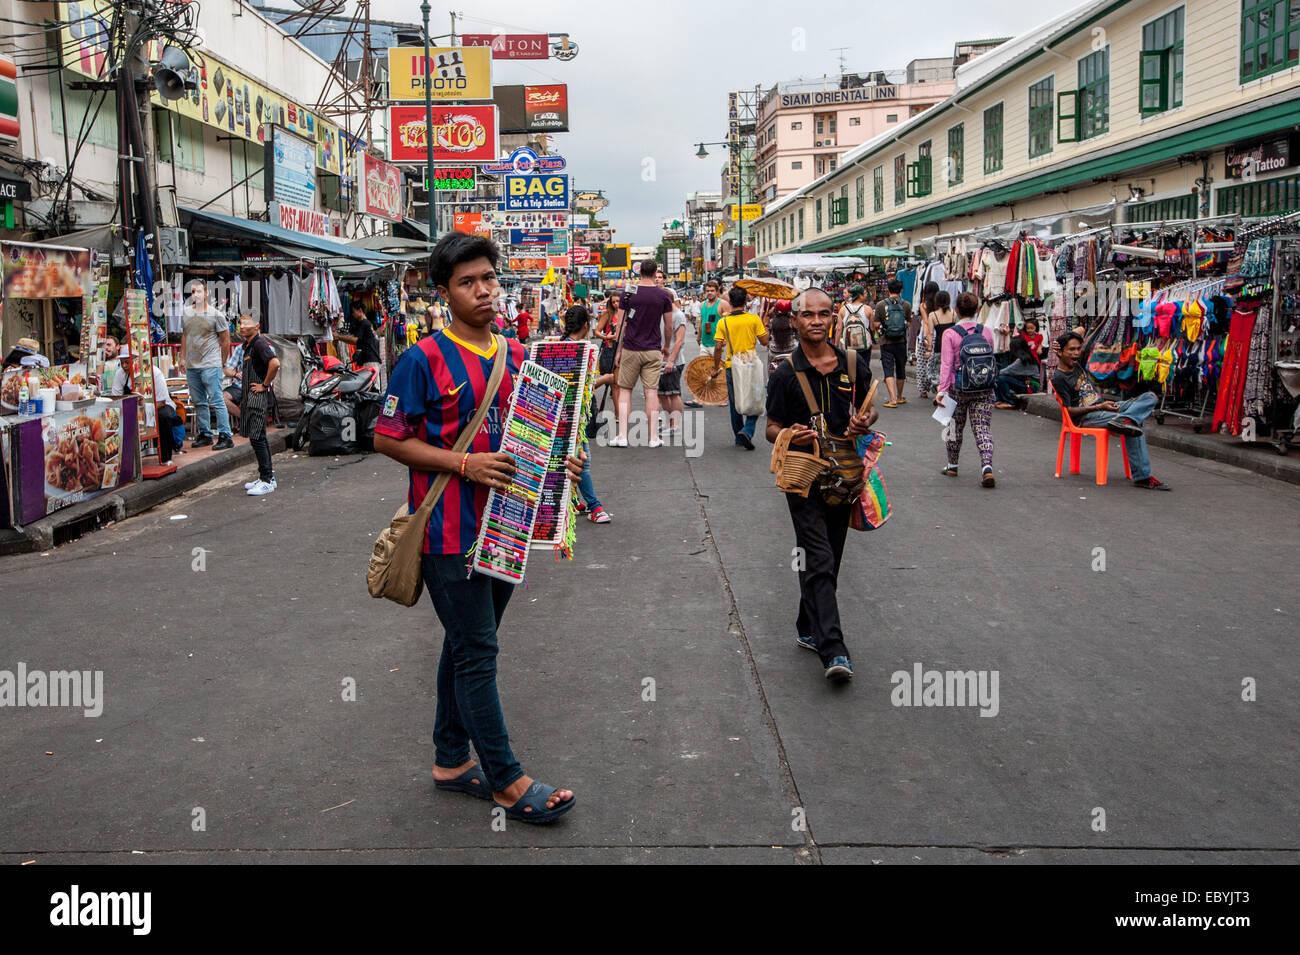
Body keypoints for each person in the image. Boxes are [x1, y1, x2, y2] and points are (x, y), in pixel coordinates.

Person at [374, 232, 585, 824]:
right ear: (444, 292)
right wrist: (463, 463)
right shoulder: (422, 359)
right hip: (448, 531)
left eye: (489, 278)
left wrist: (562, 459)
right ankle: (506, 780)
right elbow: (388, 438)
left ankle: (449, 760)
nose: (484, 291)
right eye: (468, 283)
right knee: (478, 651)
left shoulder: (518, 356)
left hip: (508, 527)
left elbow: (532, 432)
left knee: (466, 643)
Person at [765, 287, 877, 682]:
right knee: (819, 555)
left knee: (827, 556)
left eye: (823, 314)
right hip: (803, 478)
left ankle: (807, 625)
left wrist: (864, 420)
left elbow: (869, 407)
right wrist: (788, 434)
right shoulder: (784, 374)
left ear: (833, 318)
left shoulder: (851, 362)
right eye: (808, 314)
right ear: (795, 320)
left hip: (844, 476)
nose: (816, 320)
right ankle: (834, 650)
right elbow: (770, 428)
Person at [1051, 331, 1171, 491]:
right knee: (1135, 424)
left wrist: (1057, 344)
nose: (1076, 353)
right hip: (1087, 416)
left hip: (1104, 407)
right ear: (1061, 352)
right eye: (1071, 349)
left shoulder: (1076, 365)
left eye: (1078, 349)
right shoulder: (1059, 377)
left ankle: (1125, 419)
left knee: (1150, 397)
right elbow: (1069, 411)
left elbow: (1080, 330)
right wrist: (1099, 407)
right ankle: (1142, 475)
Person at [935, 292, 997, 487]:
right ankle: (987, 467)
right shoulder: (986, 331)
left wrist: (941, 391)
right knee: (982, 428)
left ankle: (952, 465)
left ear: (956, 311)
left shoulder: (950, 333)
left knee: (953, 426)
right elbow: (991, 358)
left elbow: (946, 365)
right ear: (977, 310)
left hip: (957, 387)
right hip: (984, 387)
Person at [612, 258, 673, 448]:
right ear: (656, 273)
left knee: (625, 391)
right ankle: (653, 437)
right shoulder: (663, 295)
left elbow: (621, 326)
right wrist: (667, 346)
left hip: (631, 348)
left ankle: (622, 436)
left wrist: (618, 350)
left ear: (640, 273)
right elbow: (669, 326)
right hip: (653, 349)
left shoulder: (628, 294)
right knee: (651, 392)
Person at [562, 305, 611, 523]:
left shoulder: (557, 346)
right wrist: (607, 379)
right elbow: (588, 386)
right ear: (585, 325)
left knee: (567, 460)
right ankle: (595, 506)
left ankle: (572, 500)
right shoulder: (586, 350)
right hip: (576, 416)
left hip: (559, 413)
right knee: (583, 462)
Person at [709, 285, 770, 450]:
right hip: (751, 364)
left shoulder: (724, 322)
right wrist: (766, 324)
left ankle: (738, 436)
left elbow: (718, 347)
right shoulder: (754, 319)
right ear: (745, 301)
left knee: (735, 402)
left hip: (732, 365)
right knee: (756, 398)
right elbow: (765, 342)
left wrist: (715, 367)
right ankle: (748, 430)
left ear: (730, 302)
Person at [177, 279, 234, 450]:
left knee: (216, 400)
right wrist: (182, 357)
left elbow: (225, 341)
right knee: (199, 401)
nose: (195, 295)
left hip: (211, 364)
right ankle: (205, 434)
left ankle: (225, 435)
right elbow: (185, 335)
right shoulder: (186, 313)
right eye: (193, 291)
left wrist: (222, 363)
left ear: (207, 293)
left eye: (199, 291)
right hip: (192, 365)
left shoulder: (216, 314)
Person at [110, 351, 181, 465]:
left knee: (163, 416)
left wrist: (141, 409)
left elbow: (161, 401)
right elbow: (116, 398)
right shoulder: (120, 375)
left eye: (127, 362)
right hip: (132, 407)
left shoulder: (154, 372)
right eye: (122, 363)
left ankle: (166, 456)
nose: (124, 366)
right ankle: (124, 460)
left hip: (160, 406)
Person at [236, 315, 280, 496]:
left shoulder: (259, 344)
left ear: (257, 326)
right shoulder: (249, 346)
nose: (242, 327)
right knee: (258, 437)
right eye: (241, 324)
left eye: (246, 324)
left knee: (258, 438)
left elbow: (275, 363)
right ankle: (266, 476)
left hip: (257, 398)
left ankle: (266, 479)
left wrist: (265, 385)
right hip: (250, 398)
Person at [872, 278, 912, 407]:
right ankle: (900, 396)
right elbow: (909, 323)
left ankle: (893, 399)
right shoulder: (906, 304)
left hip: (886, 342)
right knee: (901, 369)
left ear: (888, 290)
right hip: (901, 341)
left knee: (888, 369)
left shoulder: (880, 305)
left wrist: (882, 328)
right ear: (901, 290)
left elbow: (876, 324)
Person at [657, 289, 688, 437]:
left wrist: (670, 360)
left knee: (673, 393)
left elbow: (679, 340)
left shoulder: (678, 315)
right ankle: (669, 422)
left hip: (674, 361)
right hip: (661, 359)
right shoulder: (662, 315)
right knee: (662, 393)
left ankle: (676, 424)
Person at [917, 289, 953, 399]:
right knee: (949, 370)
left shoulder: (933, 315)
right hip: (951, 346)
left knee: (935, 372)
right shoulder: (953, 313)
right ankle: (947, 392)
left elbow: (931, 334)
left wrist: (929, 349)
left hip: (939, 346)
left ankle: (940, 392)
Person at [338, 302, 382, 381]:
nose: (353, 315)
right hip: (370, 359)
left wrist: (338, 337)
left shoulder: (364, 323)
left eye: (354, 312)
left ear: (360, 310)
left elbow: (355, 340)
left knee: (371, 387)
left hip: (369, 360)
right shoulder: (367, 323)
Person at [913, 281, 941, 399]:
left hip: (925, 336)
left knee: (922, 364)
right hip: (937, 336)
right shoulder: (940, 304)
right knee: (935, 365)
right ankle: (937, 387)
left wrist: (925, 338)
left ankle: (923, 390)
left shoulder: (924, 305)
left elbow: (925, 322)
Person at [994, 337, 1041, 408]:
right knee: (1001, 378)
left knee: (1001, 379)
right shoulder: (1028, 357)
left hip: (1031, 386)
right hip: (1030, 384)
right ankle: (1002, 400)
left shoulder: (1021, 361)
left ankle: (1009, 402)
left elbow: (1006, 371)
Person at [838, 285, 872, 373]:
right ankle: (864, 385)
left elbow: (838, 329)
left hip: (849, 344)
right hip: (864, 345)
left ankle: (853, 385)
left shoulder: (843, 309)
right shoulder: (868, 309)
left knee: (850, 369)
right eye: (864, 293)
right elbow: (872, 328)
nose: (866, 295)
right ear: (859, 295)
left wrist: (836, 345)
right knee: (864, 367)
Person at [766, 299, 798, 375]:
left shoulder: (771, 322)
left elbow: (766, 340)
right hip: (792, 352)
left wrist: (766, 324)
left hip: (774, 353)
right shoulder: (793, 321)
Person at [222, 341, 245, 433]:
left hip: (258, 385)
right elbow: (227, 369)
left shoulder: (268, 348)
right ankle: (244, 420)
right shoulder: (240, 348)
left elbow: (274, 368)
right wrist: (236, 374)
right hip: (239, 385)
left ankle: (245, 422)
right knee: (221, 398)